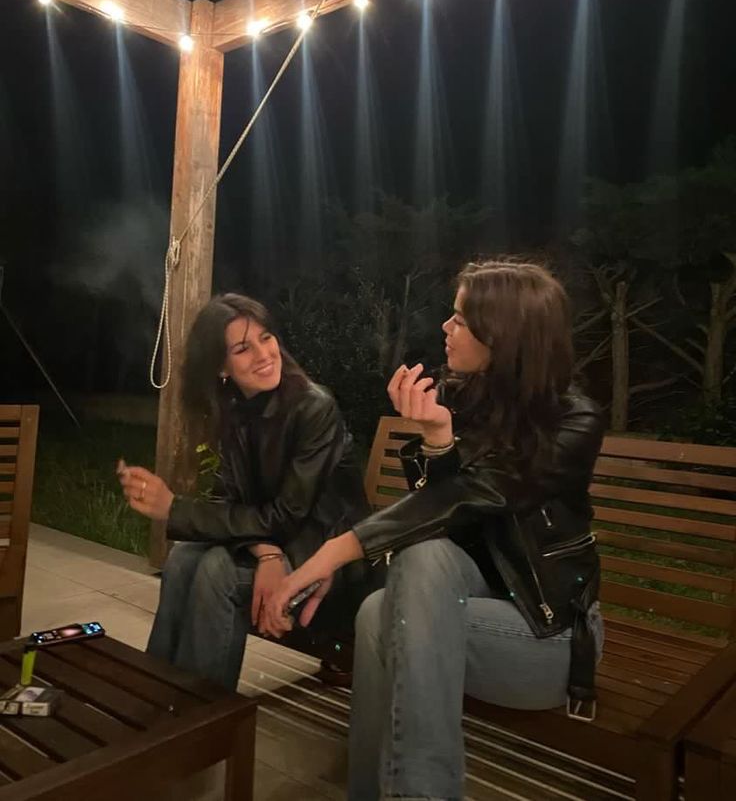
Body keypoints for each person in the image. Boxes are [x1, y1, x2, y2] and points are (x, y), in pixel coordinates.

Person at [265, 259, 605, 801]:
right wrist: (437, 437)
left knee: (390, 605)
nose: (445, 329)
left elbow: (470, 498)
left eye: (460, 320)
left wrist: (332, 554)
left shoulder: (573, 422)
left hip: (545, 636)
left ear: (504, 335)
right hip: (449, 609)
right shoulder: (466, 400)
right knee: (388, 600)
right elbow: (448, 523)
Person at [118, 293, 371, 691]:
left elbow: (289, 515)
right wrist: (266, 552)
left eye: (266, 338)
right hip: (281, 542)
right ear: (221, 367)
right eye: (242, 348)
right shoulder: (236, 410)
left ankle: (202, 719)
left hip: (328, 560)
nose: (263, 354)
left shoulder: (314, 407)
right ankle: (157, 695)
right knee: (185, 557)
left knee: (218, 572)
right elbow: (228, 502)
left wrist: (174, 508)